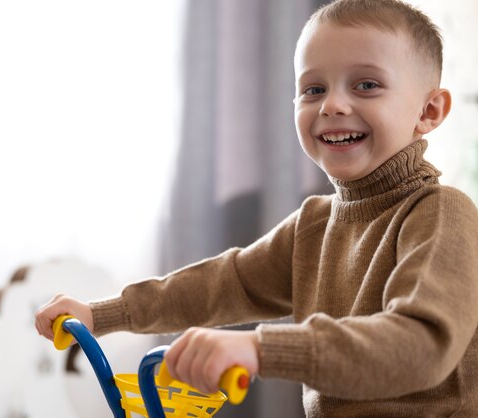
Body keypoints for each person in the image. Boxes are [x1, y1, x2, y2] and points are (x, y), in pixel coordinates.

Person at [35, 0, 478, 415]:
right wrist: (104, 314)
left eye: (367, 85)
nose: (333, 105)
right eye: (313, 88)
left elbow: (422, 345)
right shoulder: (314, 226)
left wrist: (261, 349)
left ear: (429, 111)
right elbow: (224, 282)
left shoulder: (440, 214)